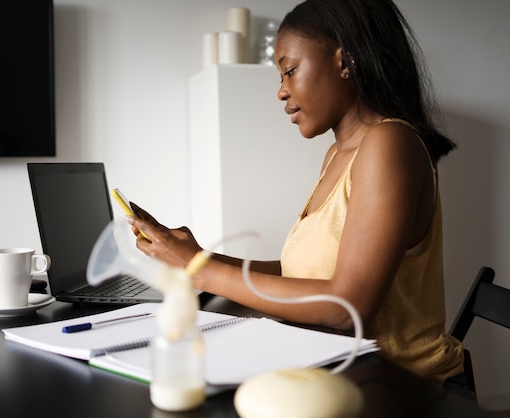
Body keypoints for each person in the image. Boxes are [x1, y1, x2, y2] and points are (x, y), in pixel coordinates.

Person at [127, 0, 466, 389]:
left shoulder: (390, 144)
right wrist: (198, 256)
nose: (281, 91)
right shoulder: (338, 155)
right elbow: (303, 273)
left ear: (346, 61)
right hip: (345, 375)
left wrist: (200, 270)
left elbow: (345, 306)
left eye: (289, 70)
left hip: (401, 387)